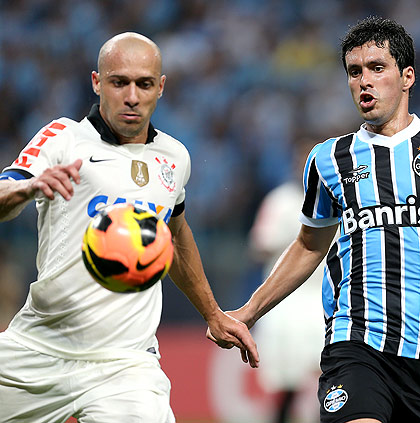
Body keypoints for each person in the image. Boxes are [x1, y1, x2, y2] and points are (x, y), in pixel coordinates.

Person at [228, 17, 420, 423]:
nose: (364, 81)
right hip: (356, 341)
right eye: (354, 72)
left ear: (406, 76)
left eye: (377, 68)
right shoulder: (329, 159)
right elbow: (309, 245)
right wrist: (249, 311)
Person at [0, 32, 258, 423]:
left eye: (144, 84)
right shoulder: (64, 138)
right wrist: (27, 188)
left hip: (125, 364)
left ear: (161, 87)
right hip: (38, 348)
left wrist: (212, 313)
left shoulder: (174, 157)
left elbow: (174, 232)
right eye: (120, 82)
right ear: (97, 82)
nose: (132, 96)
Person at [248, 141, 325, 423]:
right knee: (288, 384)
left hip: (325, 299)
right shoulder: (281, 201)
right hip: (287, 302)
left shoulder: (337, 199)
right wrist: (297, 243)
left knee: (332, 379)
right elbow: (259, 246)